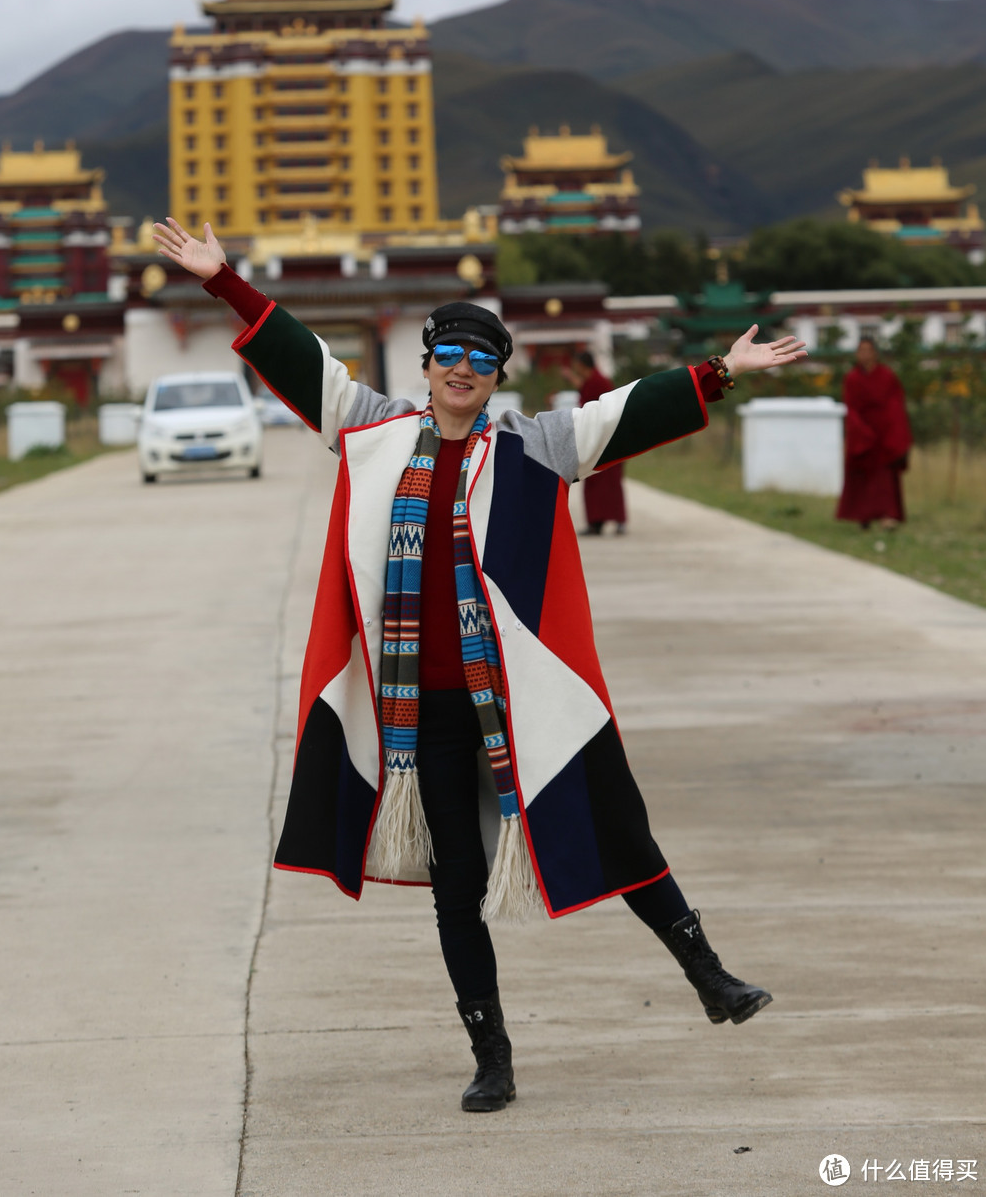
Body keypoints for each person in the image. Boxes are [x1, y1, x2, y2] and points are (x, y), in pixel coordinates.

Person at [153, 217, 809, 1114]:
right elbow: (305, 362)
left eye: (482, 357)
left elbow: (626, 411)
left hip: (525, 700)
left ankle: (712, 978)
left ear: (499, 374)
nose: (463, 369)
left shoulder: (533, 448)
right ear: (424, 365)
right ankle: (491, 1055)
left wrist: (722, 371)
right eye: (449, 353)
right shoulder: (373, 431)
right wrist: (222, 279)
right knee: (456, 886)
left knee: (622, 831)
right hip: (421, 714)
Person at [836, 338, 912, 529]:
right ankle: (864, 516)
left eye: (868, 350)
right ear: (856, 354)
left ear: (875, 353)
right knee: (863, 476)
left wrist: (894, 431)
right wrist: (861, 431)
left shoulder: (887, 376)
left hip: (885, 432)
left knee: (885, 477)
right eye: (861, 350)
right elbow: (851, 407)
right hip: (862, 433)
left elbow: (896, 404)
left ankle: (888, 515)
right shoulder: (852, 378)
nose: (865, 354)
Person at [564, 350, 628, 536]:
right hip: (593, 437)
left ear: (583, 365)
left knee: (612, 483)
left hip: (608, 437)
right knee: (592, 481)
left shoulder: (601, 381)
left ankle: (619, 521)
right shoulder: (593, 381)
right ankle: (596, 523)